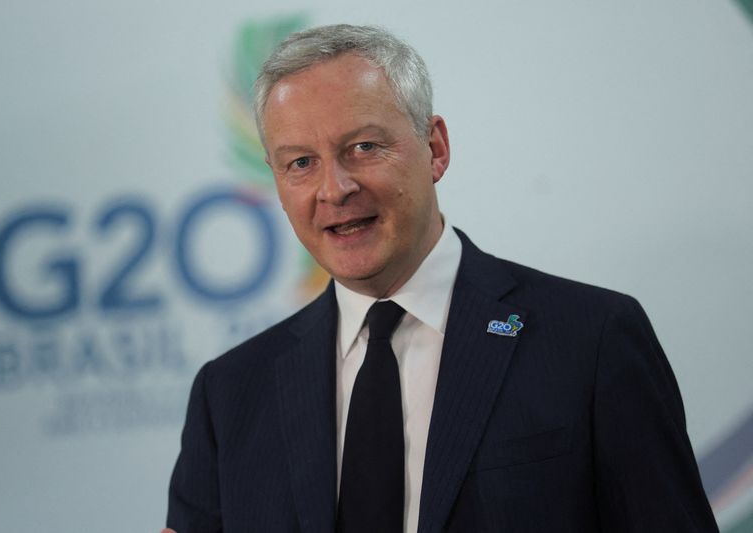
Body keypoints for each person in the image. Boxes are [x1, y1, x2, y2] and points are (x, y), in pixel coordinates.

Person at [164, 24, 718, 532]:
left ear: (435, 148)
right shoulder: (230, 394)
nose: (334, 190)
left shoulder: (589, 341)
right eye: (300, 163)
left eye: (363, 147)